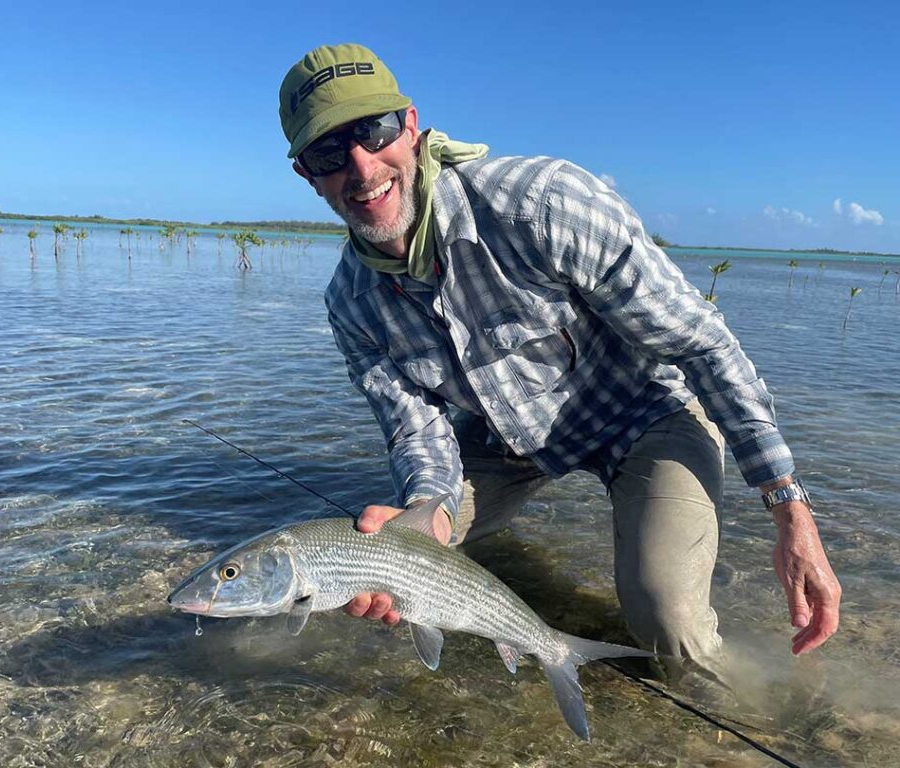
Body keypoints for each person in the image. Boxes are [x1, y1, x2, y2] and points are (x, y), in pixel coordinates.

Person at [277, 43, 841, 681]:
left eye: (372, 131)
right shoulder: (351, 301)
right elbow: (417, 433)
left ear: (410, 126)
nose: (360, 165)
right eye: (328, 153)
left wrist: (789, 510)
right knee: (381, 551)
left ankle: (751, 700)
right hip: (503, 442)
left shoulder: (543, 204)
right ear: (307, 174)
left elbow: (700, 344)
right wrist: (424, 514)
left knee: (669, 625)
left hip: (644, 415)